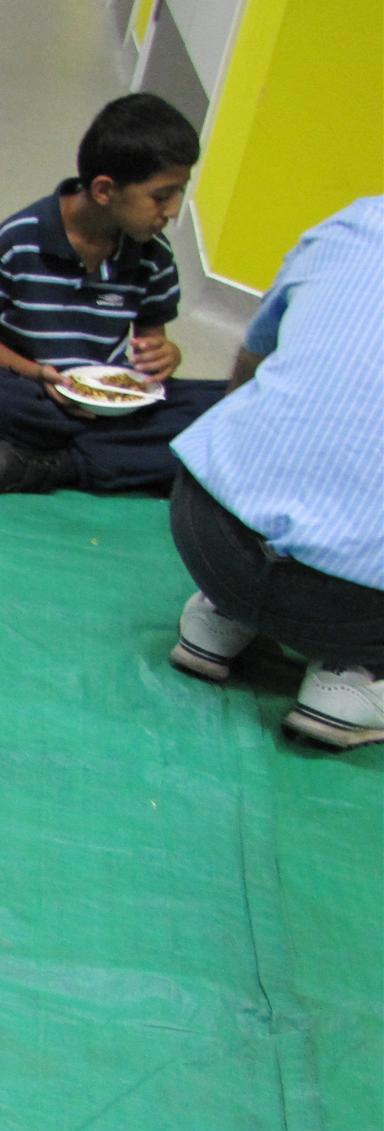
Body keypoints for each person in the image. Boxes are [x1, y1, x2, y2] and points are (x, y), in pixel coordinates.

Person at [166, 195, 384, 750]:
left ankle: (222, 615)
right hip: (354, 605)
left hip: (208, 535)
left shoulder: (355, 221)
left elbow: (249, 366)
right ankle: (354, 677)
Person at [0, 93, 228, 494]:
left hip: (114, 401)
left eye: (179, 194)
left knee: (228, 404)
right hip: (37, 391)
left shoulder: (154, 254)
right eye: (161, 196)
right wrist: (38, 374)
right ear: (104, 190)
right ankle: (120, 457)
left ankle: (58, 464)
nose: (172, 210)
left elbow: (151, 339)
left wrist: (166, 356)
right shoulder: (19, 240)